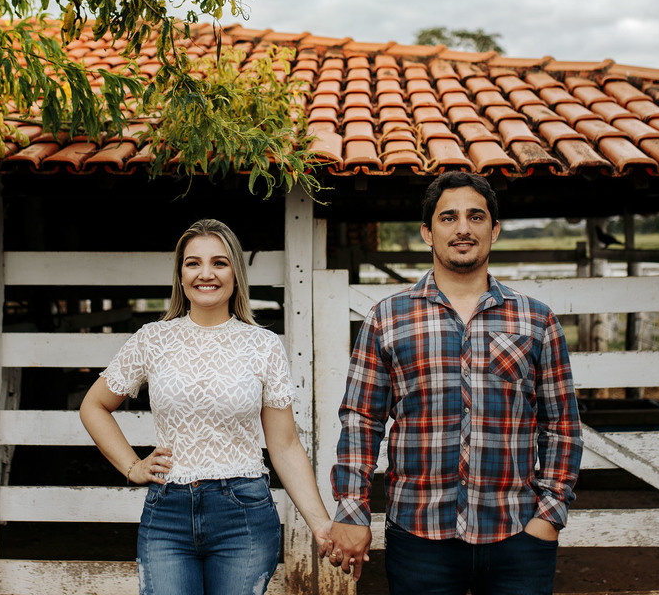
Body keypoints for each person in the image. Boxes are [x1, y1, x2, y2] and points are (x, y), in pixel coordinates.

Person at [327, 171, 583, 594]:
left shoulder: (536, 320)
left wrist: (549, 514)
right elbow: (361, 421)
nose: (462, 228)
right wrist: (353, 509)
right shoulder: (387, 319)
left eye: (475, 217)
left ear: (494, 230)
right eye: (448, 218)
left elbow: (561, 425)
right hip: (419, 535)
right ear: (428, 232)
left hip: (517, 534)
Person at [80, 218, 334, 595]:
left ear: (235, 273)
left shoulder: (262, 345)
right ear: (181, 275)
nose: (206, 273)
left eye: (219, 262)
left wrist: (321, 525)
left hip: (243, 514)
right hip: (167, 513)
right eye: (193, 263)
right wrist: (132, 466)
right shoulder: (153, 339)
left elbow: (284, 445)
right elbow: (94, 405)